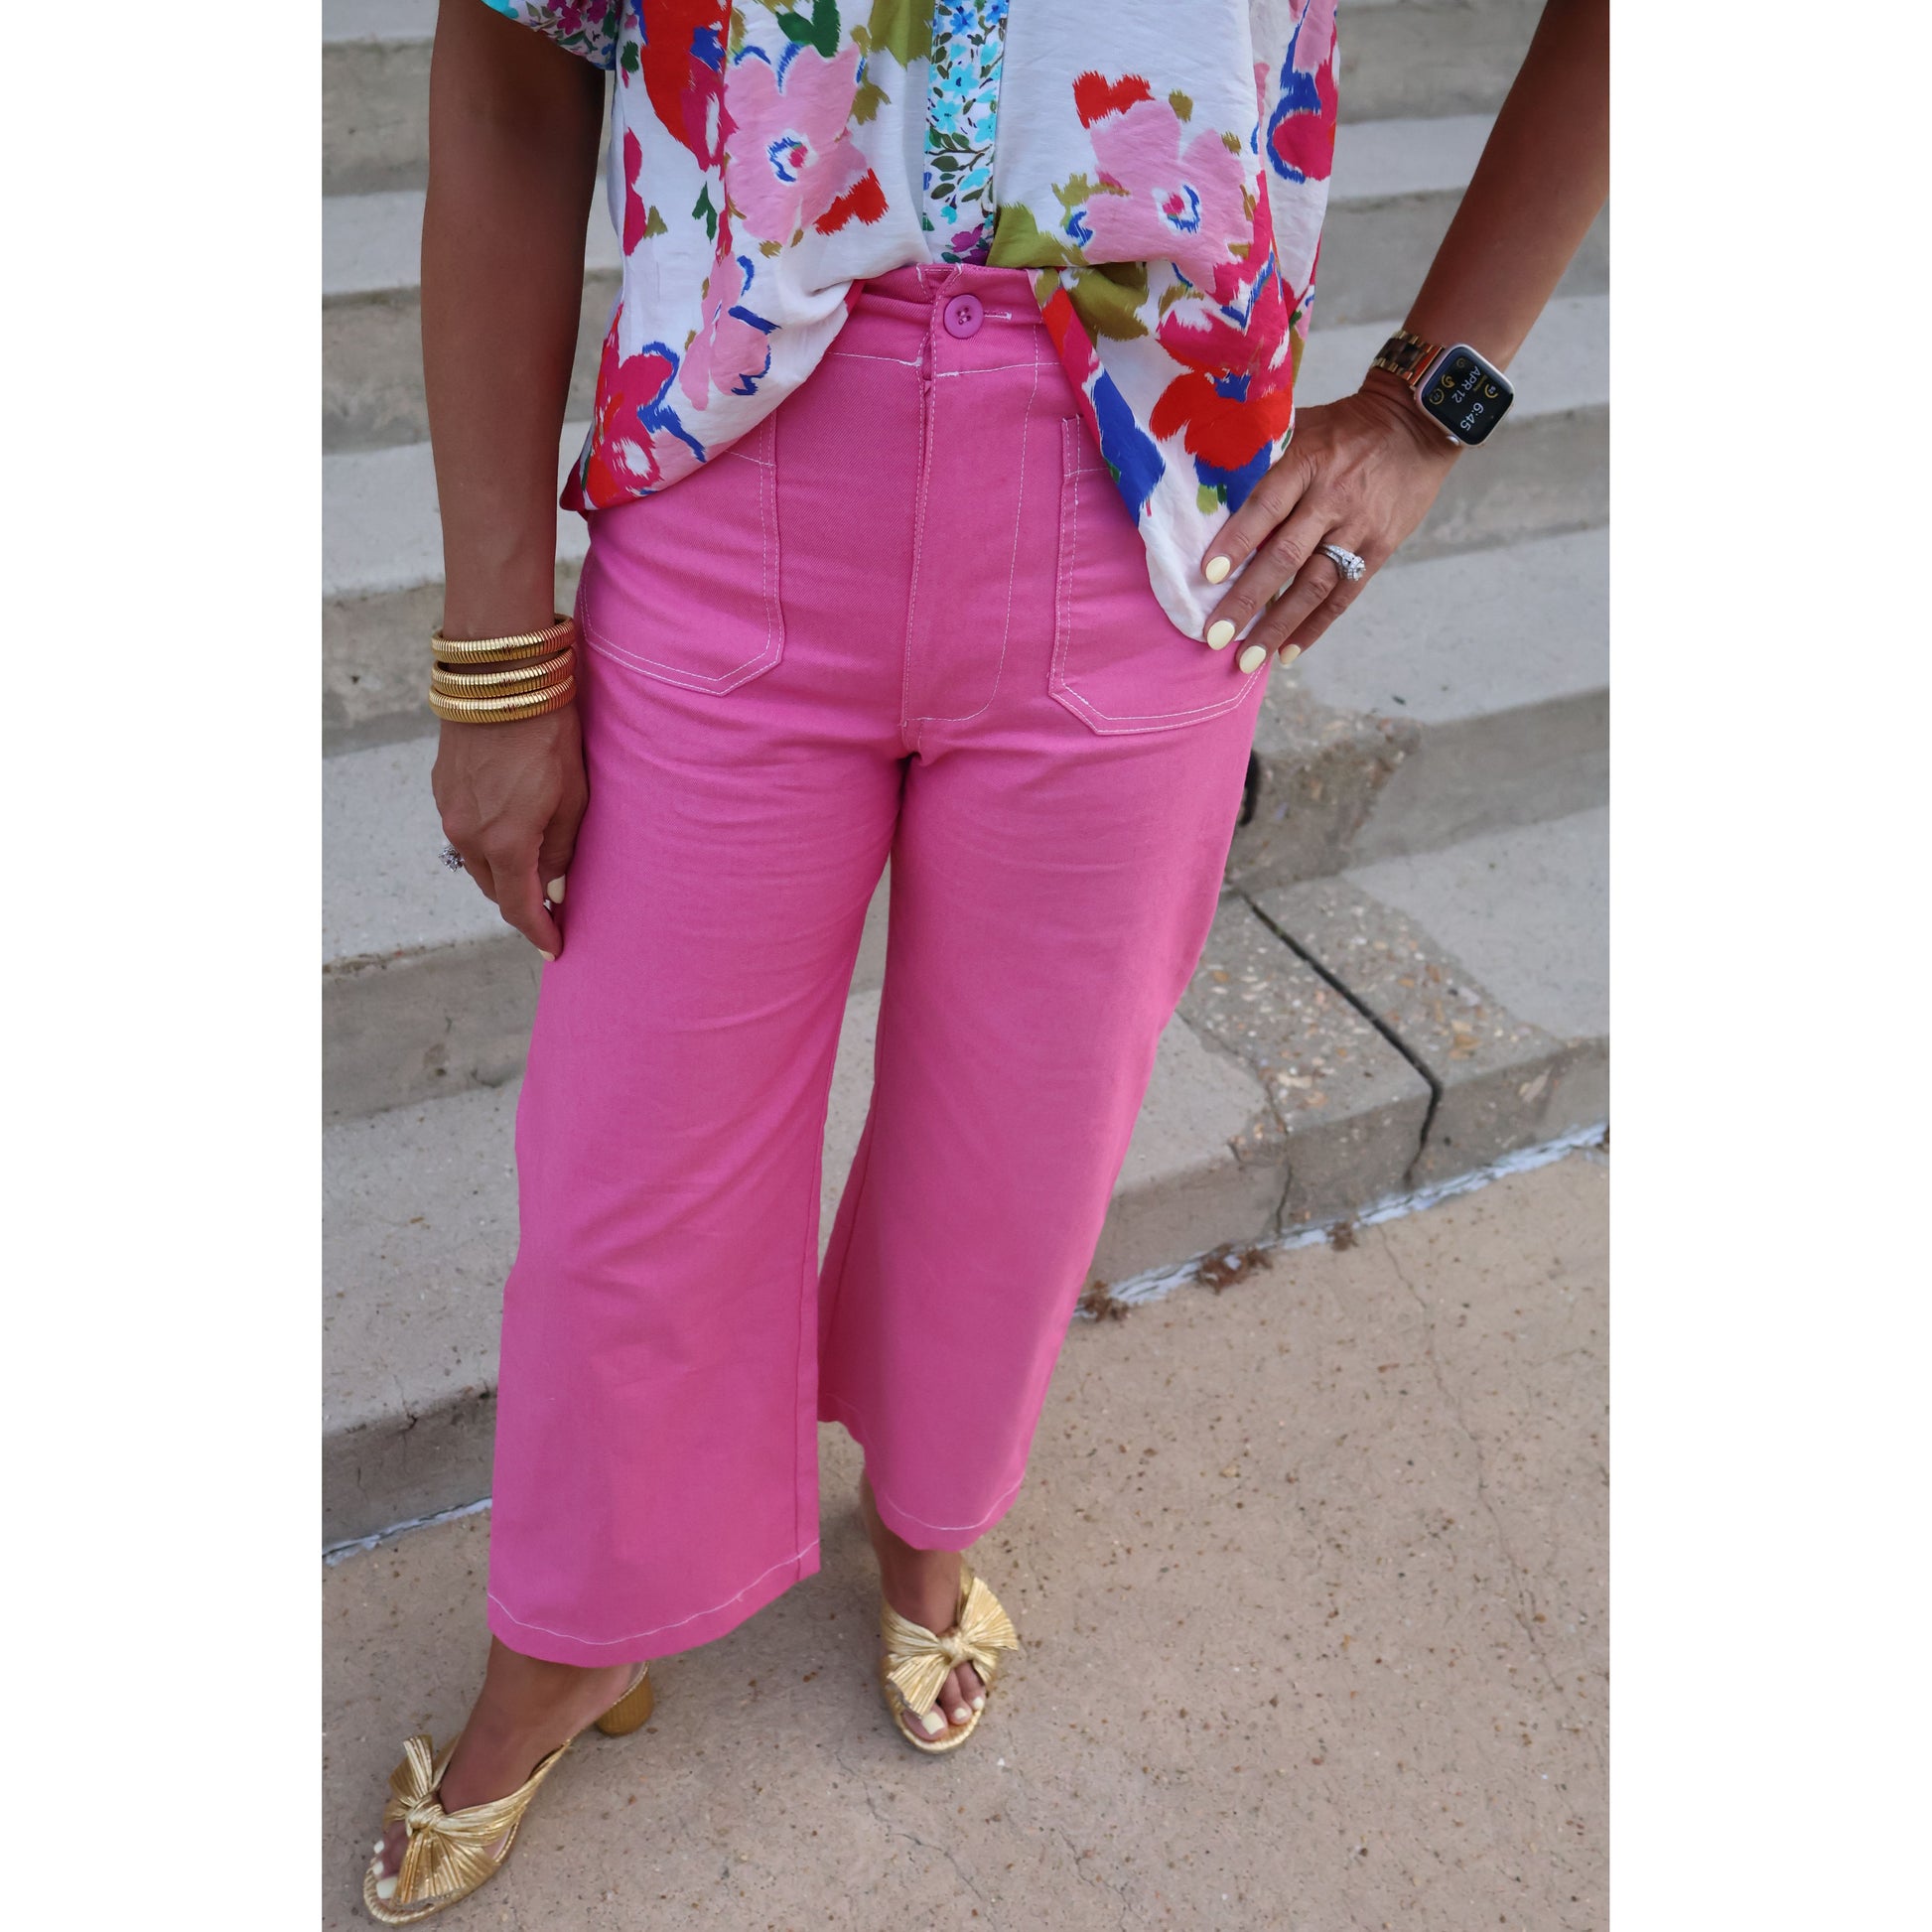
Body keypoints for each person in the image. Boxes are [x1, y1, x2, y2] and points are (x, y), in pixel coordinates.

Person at [362, 1, 1608, 1917]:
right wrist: (495, 652)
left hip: (1155, 513)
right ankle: (585, 1609)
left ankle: (931, 1514)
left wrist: (1423, 406)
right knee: (631, 1153)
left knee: (1021, 1127)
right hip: (731, 478)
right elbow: (516, 80)